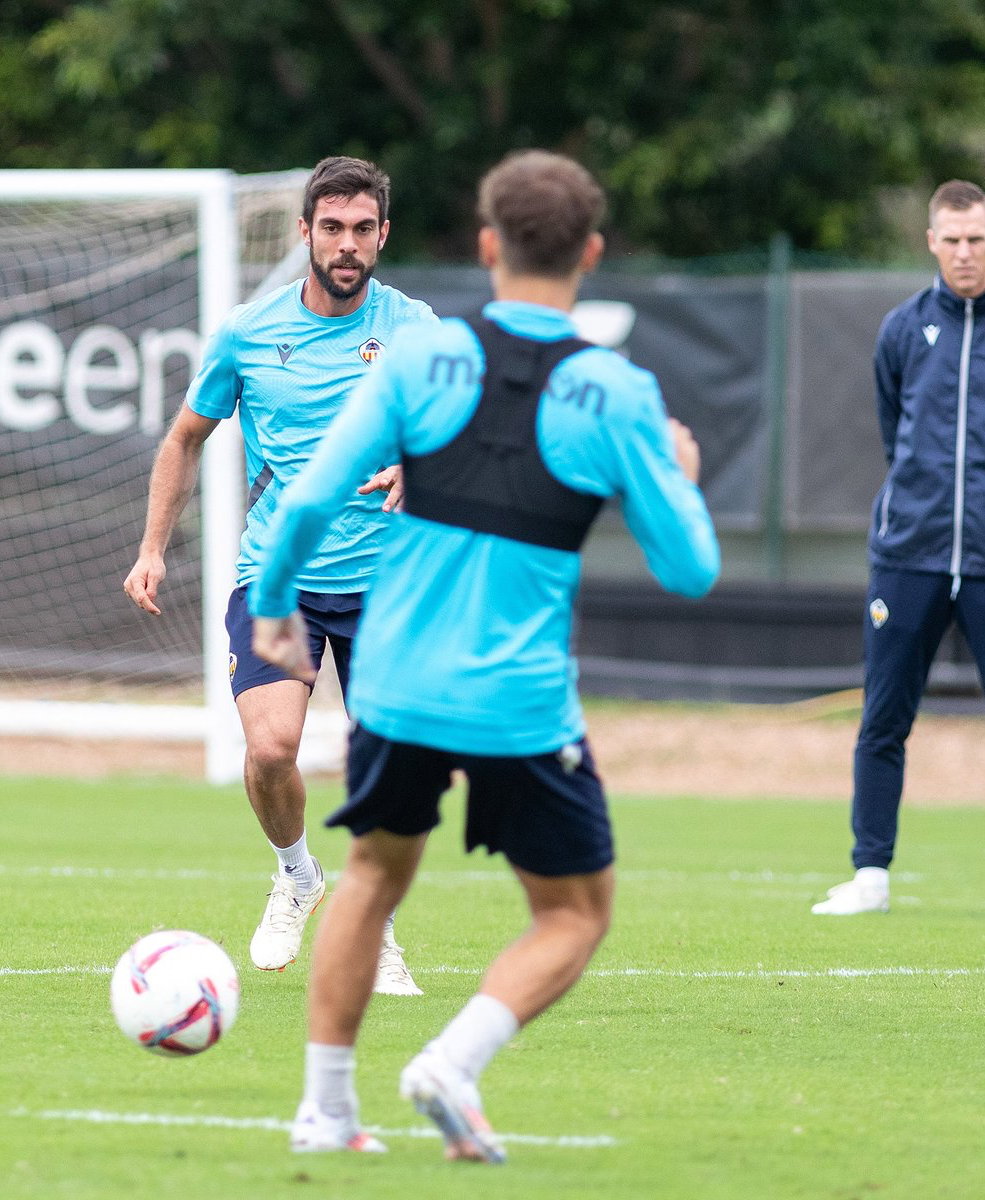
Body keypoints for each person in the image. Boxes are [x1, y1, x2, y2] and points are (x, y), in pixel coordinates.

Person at [248, 149, 721, 1159]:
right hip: (518, 697)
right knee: (573, 913)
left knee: (371, 877)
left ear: (488, 245)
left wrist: (274, 610)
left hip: (403, 682)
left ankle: (326, 1109)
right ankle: (452, 1063)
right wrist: (678, 474)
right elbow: (690, 572)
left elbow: (306, 499)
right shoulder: (617, 390)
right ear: (592, 252)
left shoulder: (418, 359)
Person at [123, 156, 432, 992]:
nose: (347, 244)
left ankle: (380, 932)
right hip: (278, 576)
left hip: (389, 587)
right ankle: (297, 874)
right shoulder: (248, 334)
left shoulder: (414, 329)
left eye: (363, 229)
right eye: (331, 228)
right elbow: (185, 437)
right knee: (269, 749)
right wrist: (153, 548)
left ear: (382, 236)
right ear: (303, 232)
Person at [812, 179, 985, 921]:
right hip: (909, 556)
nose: (964, 252)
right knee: (882, 719)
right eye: (951, 239)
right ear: (931, 242)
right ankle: (870, 874)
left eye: (976, 238)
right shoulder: (903, 329)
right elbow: (891, 422)